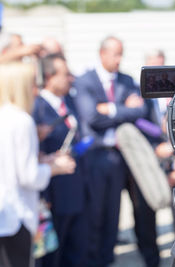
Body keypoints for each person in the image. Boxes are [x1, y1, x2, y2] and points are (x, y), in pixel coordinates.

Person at [73, 36, 157, 267]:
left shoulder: (127, 80)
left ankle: (107, 259)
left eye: (122, 53)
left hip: (121, 157)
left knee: (113, 214)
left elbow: (139, 111)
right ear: (102, 53)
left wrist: (109, 109)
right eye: (115, 54)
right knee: (95, 214)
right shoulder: (85, 81)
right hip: (97, 155)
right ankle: (93, 260)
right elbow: (91, 117)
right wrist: (121, 111)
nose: (119, 59)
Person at [0, 62, 75, 267]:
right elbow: (29, 176)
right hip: (17, 215)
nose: (37, 89)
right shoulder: (22, 120)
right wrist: (56, 167)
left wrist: (43, 160)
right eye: (32, 83)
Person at [33, 54, 89, 267]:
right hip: (54, 195)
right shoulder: (37, 108)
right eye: (65, 74)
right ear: (49, 76)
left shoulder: (69, 102)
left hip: (77, 189)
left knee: (75, 251)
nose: (71, 78)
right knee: (54, 257)